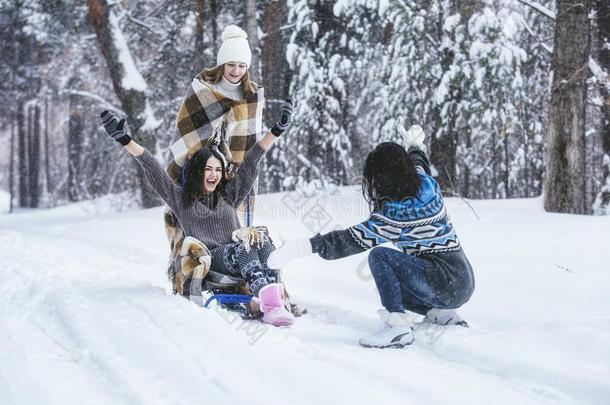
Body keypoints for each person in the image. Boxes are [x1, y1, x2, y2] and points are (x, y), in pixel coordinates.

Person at [268, 125, 475, 347]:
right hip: (463, 279)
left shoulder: (394, 216)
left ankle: (398, 328)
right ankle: (440, 313)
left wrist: (301, 247)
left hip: (443, 283)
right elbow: (419, 163)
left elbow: (347, 240)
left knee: (380, 258)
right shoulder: (428, 185)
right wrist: (415, 146)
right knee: (391, 281)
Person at [99, 97, 295, 326]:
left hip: (241, 253)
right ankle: (271, 305)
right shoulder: (182, 199)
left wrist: (277, 130)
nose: (214, 174)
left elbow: (252, 160)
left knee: (260, 241)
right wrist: (125, 140)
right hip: (214, 258)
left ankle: (272, 301)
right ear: (197, 172)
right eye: (208, 169)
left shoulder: (229, 195)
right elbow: (152, 169)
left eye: (218, 170)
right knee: (244, 248)